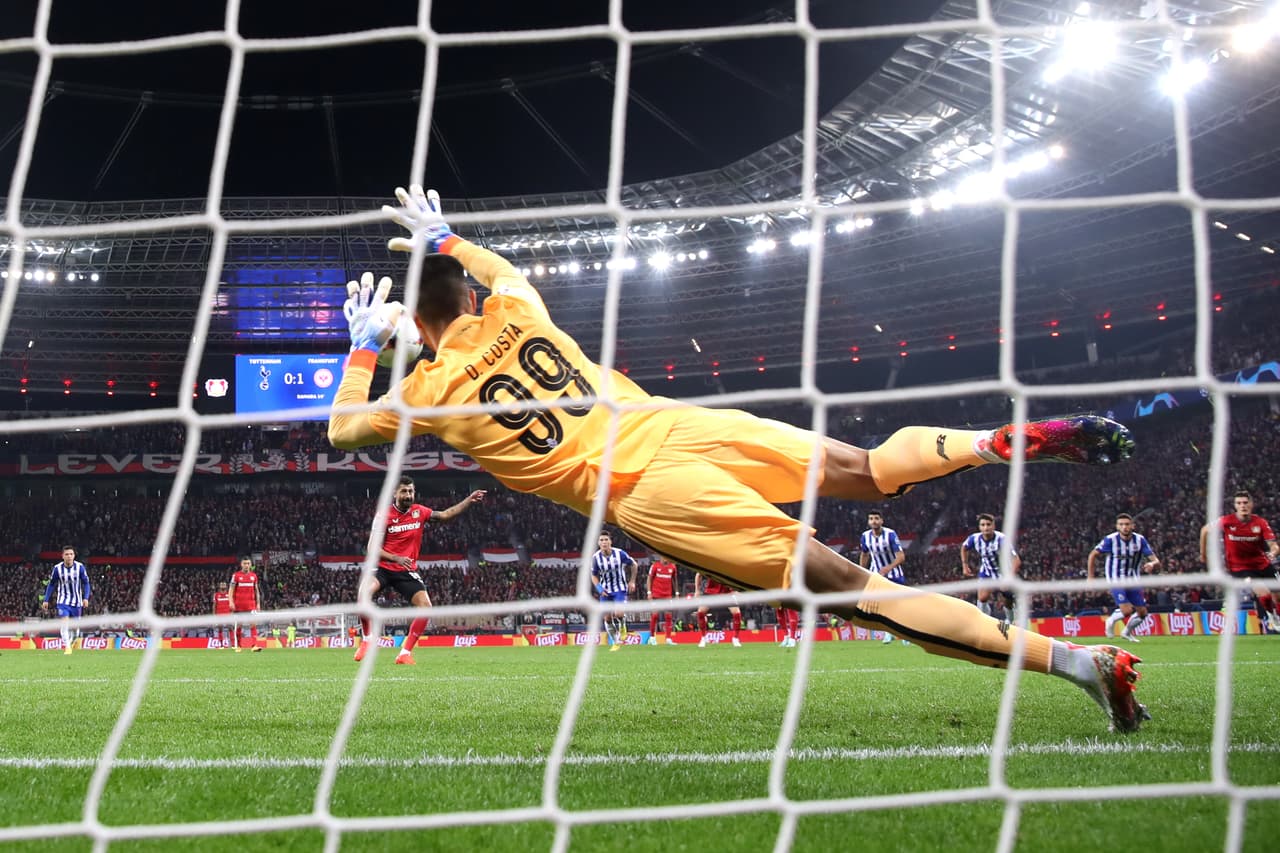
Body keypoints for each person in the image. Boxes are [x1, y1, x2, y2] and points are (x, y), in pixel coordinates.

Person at [327, 185, 1148, 732]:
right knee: (865, 467)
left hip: (650, 491)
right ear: (469, 298)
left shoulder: (425, 395)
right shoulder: (517, 306)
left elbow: (340, 431)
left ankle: (1083, 662)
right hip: (679, 423)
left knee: (862, 591)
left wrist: (362, 350)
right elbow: (498, 269)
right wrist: (448, 239)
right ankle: (986, 443)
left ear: (415, 336)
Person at [352, 476, 487, 665]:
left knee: (426, 607)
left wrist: (469, 500)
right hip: (382, 567)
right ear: (395, 493)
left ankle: (404, 653)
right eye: (404, 491)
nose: (408, 495)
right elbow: (372, 547)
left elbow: (445, 515)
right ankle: (367, 641)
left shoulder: (419, 512)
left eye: (410, 491)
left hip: (405, 571)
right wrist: (396, 557)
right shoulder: (384, 515)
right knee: (363, 594)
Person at [1200, 491, 1280, 633]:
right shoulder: (1226, 521)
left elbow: (1274, 545)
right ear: (1235, 505)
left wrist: (1273, 552)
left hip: (1262, 564)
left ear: (1251, 504)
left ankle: (1276, 614)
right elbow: (1205, 530)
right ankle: (1272, 616)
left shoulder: (1260, 523)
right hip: (1240, 569)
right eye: (1239, 503)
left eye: (1245, 502)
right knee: (1265, 594)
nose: (1242, 506)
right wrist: (1203, 554)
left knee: (1277, 596)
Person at [1088, 513, 1161, 642]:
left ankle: (1126, 632)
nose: (1124, 527)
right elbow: (1093, 554)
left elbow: (1156, 560)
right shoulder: (1110, 540)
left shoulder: (1140, 540)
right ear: (1117, 526)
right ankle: (1110, 620)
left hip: (1133, 579)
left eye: (1127, 524)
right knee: (1127, 610)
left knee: (1142, 613)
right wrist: (1091, 576)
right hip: (1115, 579)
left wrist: (1152, 563)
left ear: (1133, 526)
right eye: (1121, 524)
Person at [858, 511, 907, 645]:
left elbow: (901, 557)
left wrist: (888, 568)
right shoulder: (865, 536)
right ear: (869, 522)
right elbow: (865, 554)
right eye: (871, 518)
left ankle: (904, 635)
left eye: (876, 518)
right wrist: (862, 570)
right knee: (881, 604)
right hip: (876, 575)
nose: (874, 521)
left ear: (881, 521)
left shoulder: (890, 534)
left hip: (894, 574)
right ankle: (888, 633)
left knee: (899, 604)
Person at [961, 513, 1021, 621]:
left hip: (1004, 573)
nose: (986, 527)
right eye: (983, 525)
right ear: (979, 527)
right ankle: (985, 620)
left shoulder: (1002, 539)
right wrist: (965, 565)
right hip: (987, 572)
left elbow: (1016, 560)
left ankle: (1010, 620)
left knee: (1007, 597)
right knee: (982, 598)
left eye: (988, 524)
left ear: (993, 526)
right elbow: (964, 548)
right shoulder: (974, 538)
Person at [589, 532, 638, 652]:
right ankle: (615, 642)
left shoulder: (619, 553)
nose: (604, 542)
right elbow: (593, 576)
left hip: (619, 588)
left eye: (606, 539)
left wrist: (632, 581)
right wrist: (599, 588)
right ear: (598, 543)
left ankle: (623, 626)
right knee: (607, 618)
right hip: (605, 591)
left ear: (611, 542)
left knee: (619, 613)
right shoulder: (595, 558)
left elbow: (634, 564)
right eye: (601, 540)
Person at [41, 545, 90, 655]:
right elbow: (52, 584)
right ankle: (67, 647)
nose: (69, 556)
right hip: (63, 601)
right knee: (65, 623)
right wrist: (46, 599)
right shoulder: (57, 568)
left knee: (76, 630)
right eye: (67, 554)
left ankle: (71, 642)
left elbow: (86, 583)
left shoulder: (80, 567)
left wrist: (86, 598)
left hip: (77, 603)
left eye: (71, 554)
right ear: (62, 556)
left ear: (74, 556)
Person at [694, 571, 743, 648]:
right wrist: (697, 590)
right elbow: (698, 574)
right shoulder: (710, 563)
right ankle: (703, 638)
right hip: (711, 592)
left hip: (727, 592)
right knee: (700, 612)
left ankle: (735, 638)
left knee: (737, 613)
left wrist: (737, 590)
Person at [229, 556, 262, 653]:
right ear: (241, 564)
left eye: (248, 563)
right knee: (239, 625)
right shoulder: (236, 576)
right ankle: (238, 646)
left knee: (253, 624)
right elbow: (231, 590)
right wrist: (231, 601)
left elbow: (256, 591)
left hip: (251, 605)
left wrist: (258, 603)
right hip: (239, 605)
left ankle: (254, 645)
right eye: (244, 563)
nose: (246, 565)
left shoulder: (254, 576)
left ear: (250, 565)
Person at [646, 556, 679, 644]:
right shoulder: (655, 566)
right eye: (664, 557)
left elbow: (675, 580)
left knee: (668, 616)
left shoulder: (673, 567)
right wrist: (649, 592)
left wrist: (676, 593)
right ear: (660, 557)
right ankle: (652, 637)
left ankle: (668, 638)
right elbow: (649, 578)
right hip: (656, 595)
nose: (665, 559)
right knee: (655, 615)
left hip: (667, 596)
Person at [213, 581, 232, 649]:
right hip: (219, 615)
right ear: (219, 586)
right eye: (222, 584)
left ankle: (232, 645)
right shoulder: (216, 595)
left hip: (228, 615)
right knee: (220, 629)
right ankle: (221, 645)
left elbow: (231, 604)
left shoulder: (229, 594)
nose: (223, 585)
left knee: (230, 628)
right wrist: (214, 615)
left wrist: (232, 613)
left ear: (226, 586)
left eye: (224, 584)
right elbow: (214, 605)